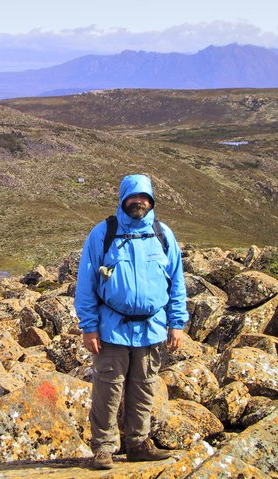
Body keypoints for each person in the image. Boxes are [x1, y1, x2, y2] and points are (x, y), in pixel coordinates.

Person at [74, 174, 188, 470]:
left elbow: (176, 283)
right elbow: (86, 283)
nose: (139, 202)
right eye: (133, 197)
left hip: (152, 329)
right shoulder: (103, 234)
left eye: (145, 197)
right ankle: (103, 448)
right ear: (123, 199)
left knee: (144, 386)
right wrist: (89, 326)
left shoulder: (163, 235)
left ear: (151, 201)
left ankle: (138, 444)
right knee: (107, 388)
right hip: (112, 328)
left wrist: (177, 323)